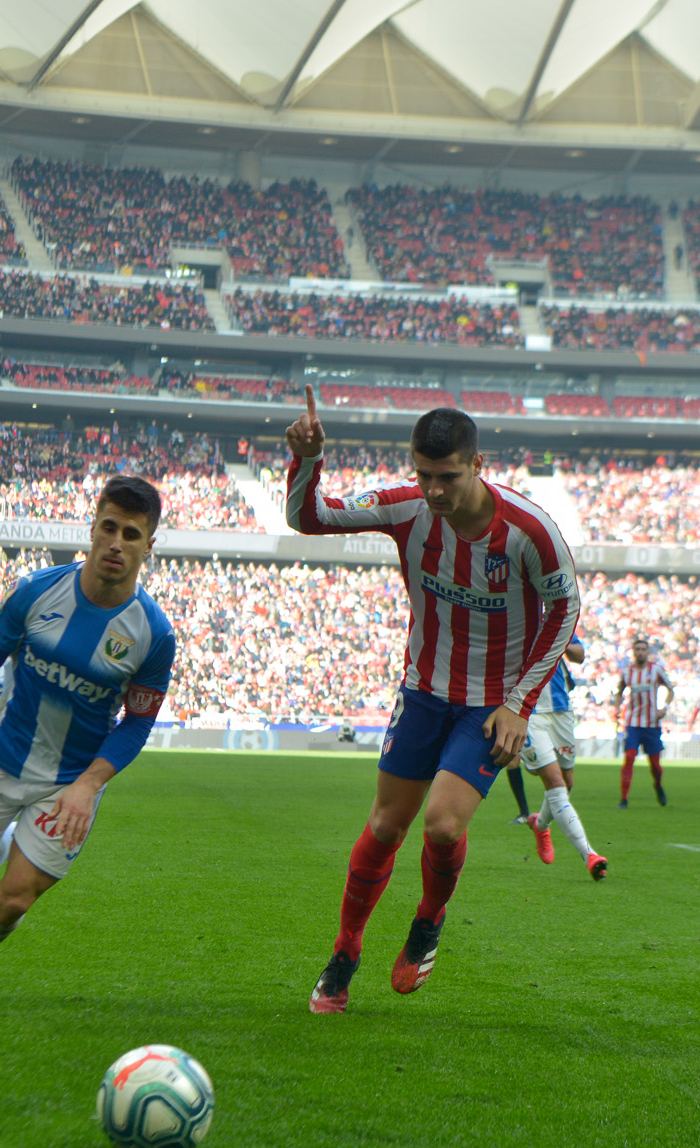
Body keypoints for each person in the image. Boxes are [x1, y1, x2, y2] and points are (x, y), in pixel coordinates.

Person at [285, 392, 579, 1014]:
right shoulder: (405, 507)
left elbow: (565, 609)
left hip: (490, 707)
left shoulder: (530, 531)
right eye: (424, 475)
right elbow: (308, 518)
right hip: (422, 692)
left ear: (477, 465)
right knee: (386, 826)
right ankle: (346, 950)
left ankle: (428, 919)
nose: (435, 490)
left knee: (442, 825)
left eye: (447, 477)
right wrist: (306, 461)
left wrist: (521, 704)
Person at [0, 475, 176, 1013]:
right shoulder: (36, 591)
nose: (117, 543)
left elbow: (136, 725)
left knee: (15, 898)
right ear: (91, 530)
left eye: (132, 534)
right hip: (3, 758)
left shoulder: (154, 635)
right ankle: (1, 836)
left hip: (68, 785)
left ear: (148, 546)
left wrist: (89, 786)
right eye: (108, 528)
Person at [520, 633, 606, 879]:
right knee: (556, 785)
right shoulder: (512, 616)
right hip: (529, 711)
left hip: (560, 709)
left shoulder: (557, 617)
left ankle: (539, 825)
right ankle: (589, 855)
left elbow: (578, 656)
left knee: (567, 783)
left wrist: (559, 635)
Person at [614, 637, 674, 807]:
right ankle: (624, 798)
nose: (640, 652)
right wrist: (617, 708)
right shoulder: (626, 672)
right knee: (629, 757)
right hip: (632, 724)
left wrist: (664, 708)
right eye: (637, 649)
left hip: (652, 724)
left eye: (643, 649)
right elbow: (619, 692)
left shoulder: (656, 670)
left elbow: (671, 689)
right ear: (633, 652)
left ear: (648, 652)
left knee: (655, 765)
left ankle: (658, 785)